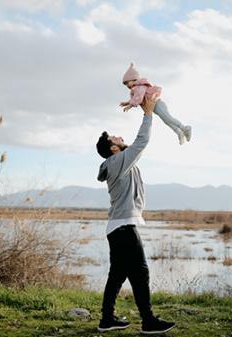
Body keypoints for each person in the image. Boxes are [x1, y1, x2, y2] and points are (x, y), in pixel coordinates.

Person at [96, 96, 176, 334]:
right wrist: (148, 113)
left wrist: (138, 99)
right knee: (140, 272)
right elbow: (141, 142)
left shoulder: (118, 162)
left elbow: (135, 148)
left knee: (118, 275)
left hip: (117, 228)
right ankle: (148, 321)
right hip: (123, 228)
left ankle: (107, 319)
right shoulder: (117, 161)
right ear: (113, 148)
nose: (121, 138)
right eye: (116, 139)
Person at [120, 62, 192, 145]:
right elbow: (135, 98)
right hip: (154, 106)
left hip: (157, 104)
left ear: (135, 79)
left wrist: (129, 105)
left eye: (128, 82)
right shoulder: (136, 89)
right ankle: (179, 133)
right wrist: (127, 103)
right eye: (125, 84)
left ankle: (185, 128)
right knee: (166, 121)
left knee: (168, 118)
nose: (127, 85)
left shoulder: (140, 86)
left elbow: (139, 97)